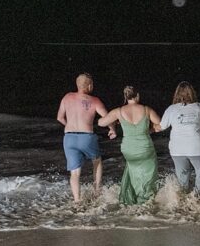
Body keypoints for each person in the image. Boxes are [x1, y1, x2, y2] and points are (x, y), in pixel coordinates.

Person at [56, 73, 116, 203]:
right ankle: (97, 192)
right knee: (97, 161)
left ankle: (77, 200)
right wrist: (112, 129)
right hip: (87, 137)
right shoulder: (94, 100)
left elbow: (59, 118)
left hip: (69, 138)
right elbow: (107, 118)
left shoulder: (67, 97)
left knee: (75, 173)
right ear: (89, 86)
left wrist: (70, 127)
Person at [98, 86, 163, 205]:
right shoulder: (146, 110)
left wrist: (114, 123)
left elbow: (101, 122)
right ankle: (146, 201)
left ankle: (131, 200)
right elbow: (161, 125)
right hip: (145, 148)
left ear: (125, 97)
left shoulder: (118, 111)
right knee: (148, 175)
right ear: (137, 95)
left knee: (133, 171)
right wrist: (151, 129)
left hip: (128, 149)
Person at [159, 81, 200, 194]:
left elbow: (161, 127)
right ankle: (197, 196)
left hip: (177, 149)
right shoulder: (199, 107)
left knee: (182, 177)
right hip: (196, 148)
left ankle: (182, 199)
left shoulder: (171, 109)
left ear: (176, 94)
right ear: (192, 93)